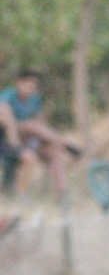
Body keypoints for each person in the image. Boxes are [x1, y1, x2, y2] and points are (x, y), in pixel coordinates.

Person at [0, 70, 81, 198]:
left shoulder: (35, 100)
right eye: (29, 85)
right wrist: (15, 139)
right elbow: (4, 114)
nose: (31, 89)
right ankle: (64, 142)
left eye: (34, 86)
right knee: (29, 126)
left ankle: (62, 195)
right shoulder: (8, 96)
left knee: (56, 154)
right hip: (10, 140)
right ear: (19, 83)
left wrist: (39, 137)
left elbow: (41, 122)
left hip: (30, 139)